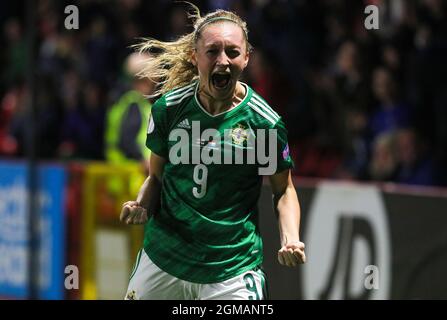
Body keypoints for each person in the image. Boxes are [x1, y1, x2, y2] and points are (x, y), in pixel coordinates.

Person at [120, 4, 306, 300]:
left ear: (246, 58)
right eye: (212, 51)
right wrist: (142, 203)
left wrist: (291, 238)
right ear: (195, 57)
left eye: (233, 52)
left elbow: (283, 190)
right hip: (164, 259)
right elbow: (156, 176)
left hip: (231, 271)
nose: (223, 60)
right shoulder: (169, 109)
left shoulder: (264, 123)